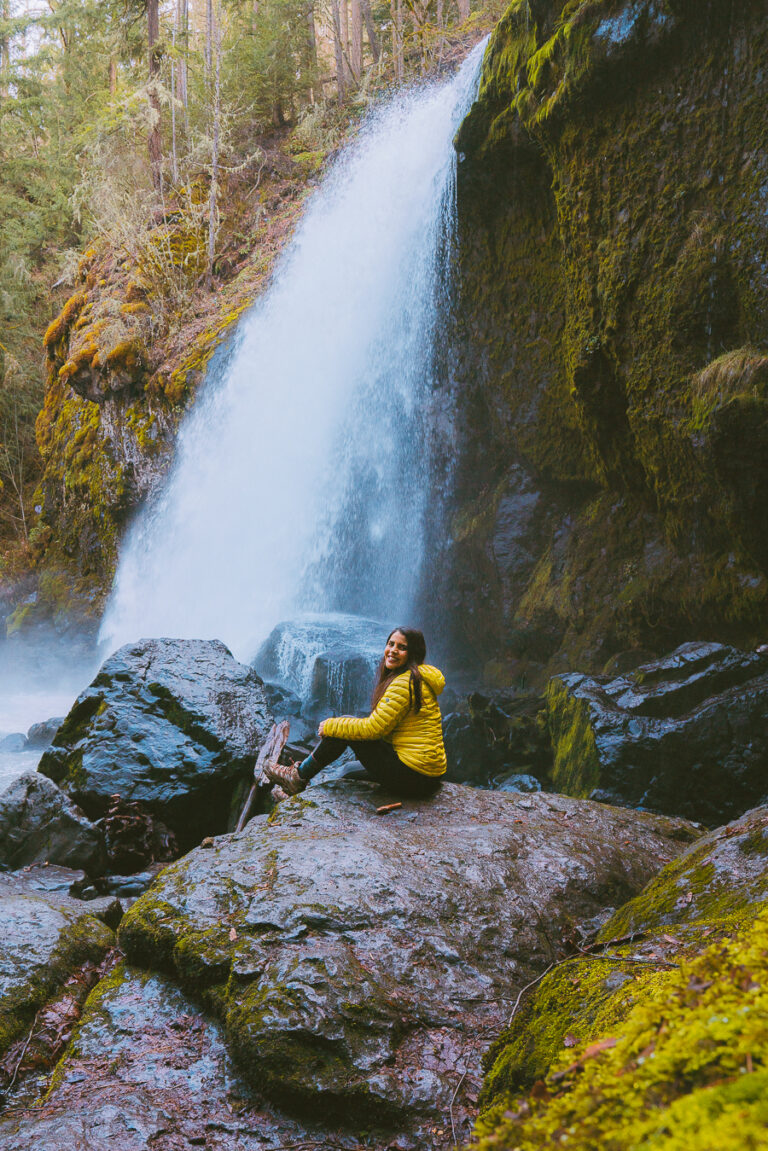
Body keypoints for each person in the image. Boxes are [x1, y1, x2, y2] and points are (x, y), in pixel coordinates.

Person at [265, 627, 447, 798]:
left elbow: (373, 729)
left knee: (342, 728)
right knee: (346, 771)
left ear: (413, 654)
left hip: (414, 777)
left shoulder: (404, 683)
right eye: (390, 644)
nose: (392, 650)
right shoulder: (417, 678)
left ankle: (297, 776)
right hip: (426, 776)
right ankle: (292, 789)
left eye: (402, 647)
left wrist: (330, 725)